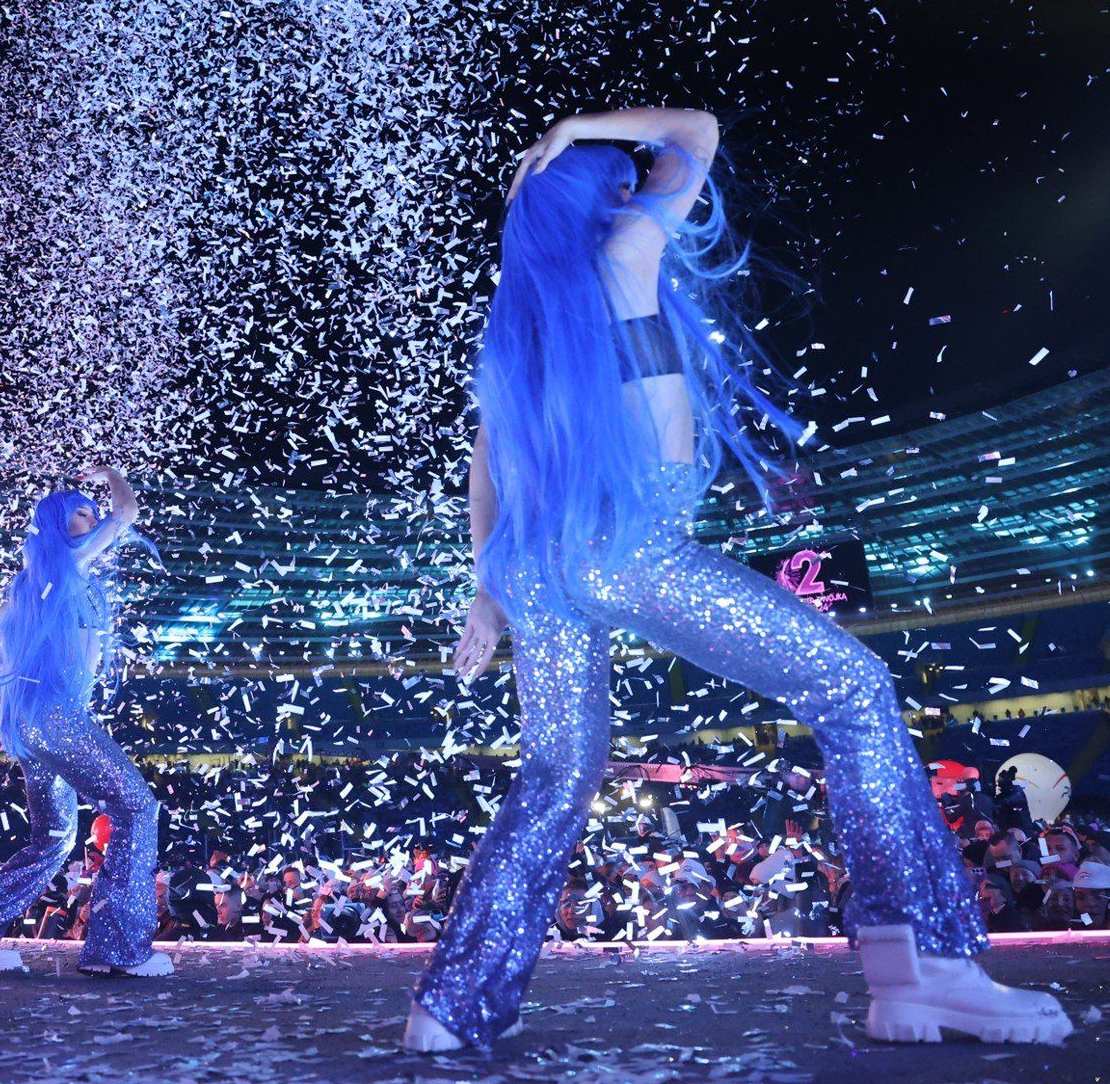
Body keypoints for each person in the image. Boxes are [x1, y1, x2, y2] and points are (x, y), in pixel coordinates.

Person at [404, 109, 1071, 1052]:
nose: (643, 189)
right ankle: (927, 969)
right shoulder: (622, 254)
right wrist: (577, 128)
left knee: (557, 773)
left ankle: (449, 1007)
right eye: (626, 182)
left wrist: (488, 591)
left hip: (541, 568)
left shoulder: (519, 327)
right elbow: (697, 131)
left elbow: (486, 466)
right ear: (611, 200)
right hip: (630, 545)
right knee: (853, 688)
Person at [0, 468, 172, 978]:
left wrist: (13, 676)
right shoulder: (67, 563)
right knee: (136, 808)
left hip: (34, 723)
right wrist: (113, 474)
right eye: (82, 511)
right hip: (58, 718)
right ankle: (119, 948)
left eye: (92, 508)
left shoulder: (40, 583)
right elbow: (126, 513)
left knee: (56, 837)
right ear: (59, 527)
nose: (96, 516)